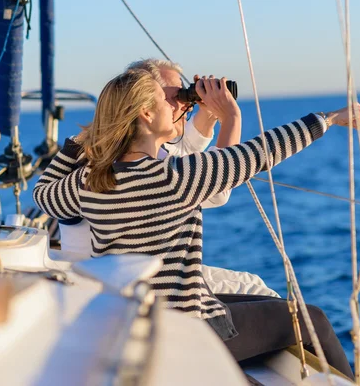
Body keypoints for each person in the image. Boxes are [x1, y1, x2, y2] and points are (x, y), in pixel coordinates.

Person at [33, 68, 360, 378]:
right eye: (167, 101)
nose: (176, 106)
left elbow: (43, 193)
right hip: (183, 332)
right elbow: (263, 150)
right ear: (146, 113)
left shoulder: (90, 183)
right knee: (312, 319)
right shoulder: (177, 177)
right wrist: (331, 118)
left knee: (245, 302)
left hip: (134, 327)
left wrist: (84, 137)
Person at [58, 59, 277, 296]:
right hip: (133, 284)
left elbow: (183, 155)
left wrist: (210, 113)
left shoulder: (109, 148)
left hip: (106, 273)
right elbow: (215, 190)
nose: (183, 104)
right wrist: (231, 118)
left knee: (251, 283)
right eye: (171, 98)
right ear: (143, 104)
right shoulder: (132, 163)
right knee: (257, 290)